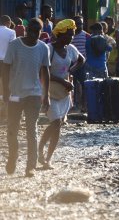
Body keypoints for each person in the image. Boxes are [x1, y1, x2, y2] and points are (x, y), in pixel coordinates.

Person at [3, 18, 50, 177]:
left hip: (34, 94)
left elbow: (45, 72)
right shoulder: (14, 45)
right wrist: (5, 92)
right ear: (25, 30)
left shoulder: (43, 48)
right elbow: (5, 68)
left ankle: (31, 166)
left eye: (37, 31)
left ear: (40, 32)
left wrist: (46, 94)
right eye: (31, 30)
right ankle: (13, 157)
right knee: (12, 130)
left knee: (32, 130)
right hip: (15, 94)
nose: (33, 34)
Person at [38, 19, 84, 169]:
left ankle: (44, 153)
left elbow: (82, 60)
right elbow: (43, 72)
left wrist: (70, 71)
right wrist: (62, 81)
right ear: (61, 35)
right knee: (56, 123)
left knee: (56, 124)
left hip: (64, 93)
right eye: (69, 34)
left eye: (72, 34)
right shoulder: (49, 49)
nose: (72, 37)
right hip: (49, 91)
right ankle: (44, 154)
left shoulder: (71, 49)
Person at [71, 15, 90, 111]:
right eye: (77, 23)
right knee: (71, 85)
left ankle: (84, 106)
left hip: (83, 64)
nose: (80, 25)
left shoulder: (86, 36)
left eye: (81, 23)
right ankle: (72, 105)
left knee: (84, 85)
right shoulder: (70, 35)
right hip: (71, 64)